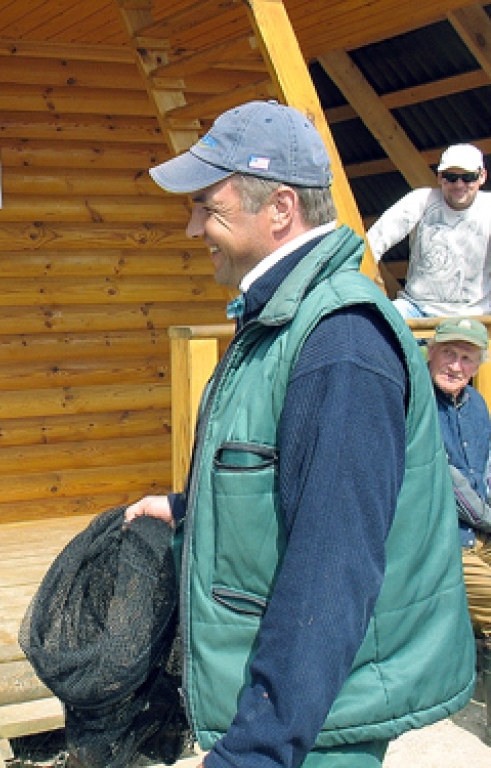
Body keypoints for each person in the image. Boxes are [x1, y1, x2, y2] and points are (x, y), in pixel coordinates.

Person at [127, 100, 474, 768]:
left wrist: (256, 751)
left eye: (209, 206)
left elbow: (333, 566)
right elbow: (291, 483)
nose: (193, 226)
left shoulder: (339, 340)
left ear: (280, 208)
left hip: (314, 730)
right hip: (300, 719)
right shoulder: (284, 319)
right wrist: (191, 508)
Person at [366, 143, 491, 318]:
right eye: (451, 177)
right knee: (374, 325)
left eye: (468, 177)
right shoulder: (420, 200)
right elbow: (373, 242)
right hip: (415, 307)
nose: (459, 184)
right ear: (440, 177)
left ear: (482, 176)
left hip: (474, 313)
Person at [424, 317, 491, 639]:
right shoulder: (415, 400)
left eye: (467, 358)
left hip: (482, 534)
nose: (455, 366)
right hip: (446, 542)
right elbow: (448, 482)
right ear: (431, 351)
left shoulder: (476, 403)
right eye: (448, 353)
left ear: (478, 366)